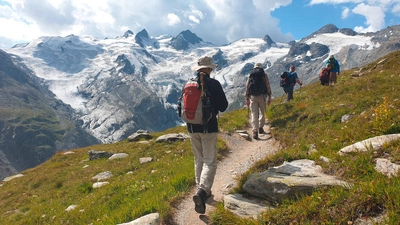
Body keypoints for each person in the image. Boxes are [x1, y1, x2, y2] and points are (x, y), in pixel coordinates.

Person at [184, 56, 228, 214]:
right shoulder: (213, 84)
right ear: (209, 69)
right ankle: (202, 192)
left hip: (191, 127)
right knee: (210, 161)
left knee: (199, 159)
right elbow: (223, 106)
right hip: (208, 127)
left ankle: (201, 189)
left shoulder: (189, 83)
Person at [245, 63, 272, 139]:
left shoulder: (251, 75)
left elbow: (247, 86)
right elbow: (268, 86)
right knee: (262, 112)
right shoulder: (264, 75)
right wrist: (269, 97)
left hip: (253, 96)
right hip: (262, 96)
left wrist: (247, 98)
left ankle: (255, 131)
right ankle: (260, 127)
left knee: (254, 113)